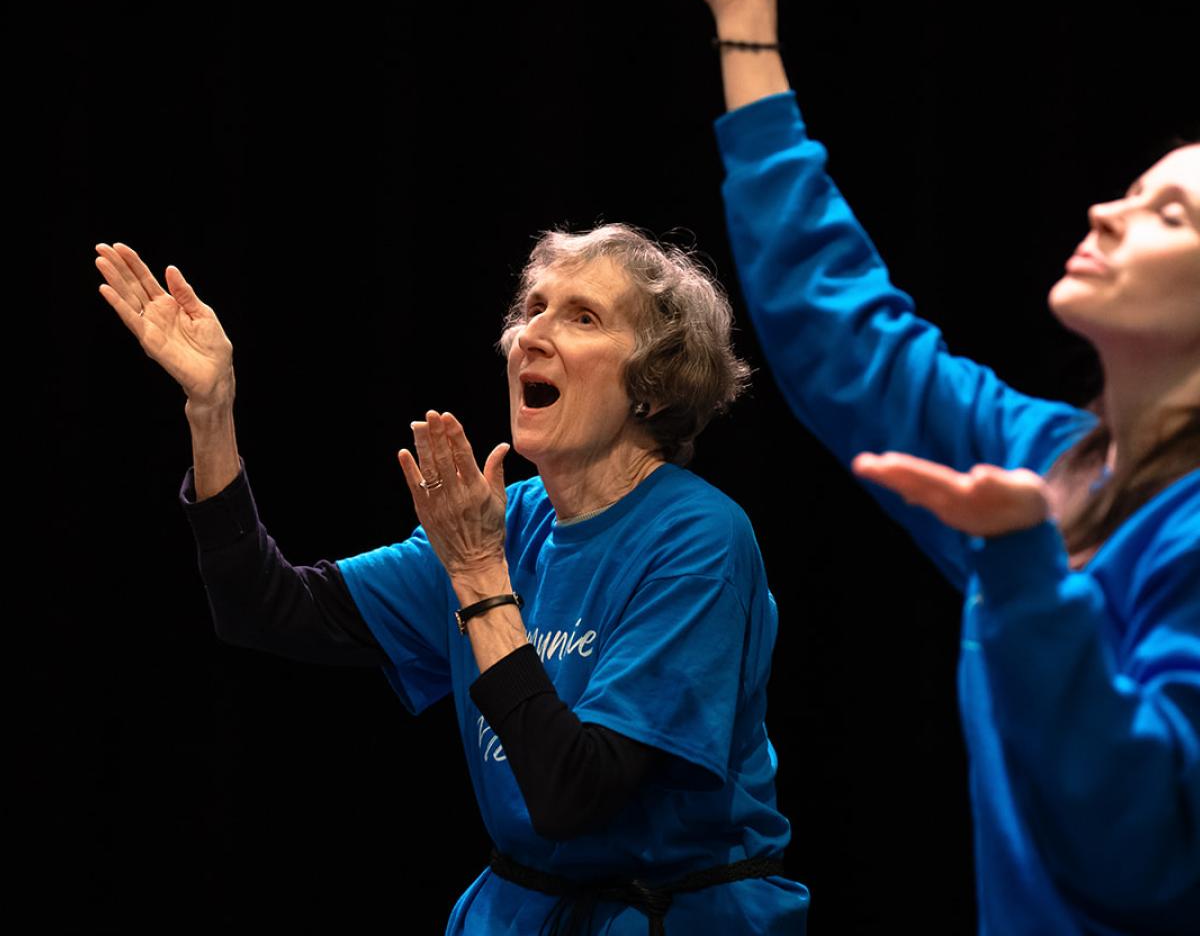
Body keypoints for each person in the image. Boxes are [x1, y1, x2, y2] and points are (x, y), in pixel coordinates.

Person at [648, 0, 1200, 934]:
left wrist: (1029, 578)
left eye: (1168, 212)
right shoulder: (1050, 463)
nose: (1107, 211)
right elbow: (842, 331)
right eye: (1132, 189)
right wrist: (747, 25)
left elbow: (1147, 855)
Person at [94, 227, 810, 935]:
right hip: (516, 913)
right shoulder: (511, 520)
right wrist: (211, 411)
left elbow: (573, 795)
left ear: (653, 386)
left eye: (582, 316)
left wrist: (476, 571)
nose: (531, 334)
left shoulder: (696, 538)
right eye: (532, 308)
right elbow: (267, 609)